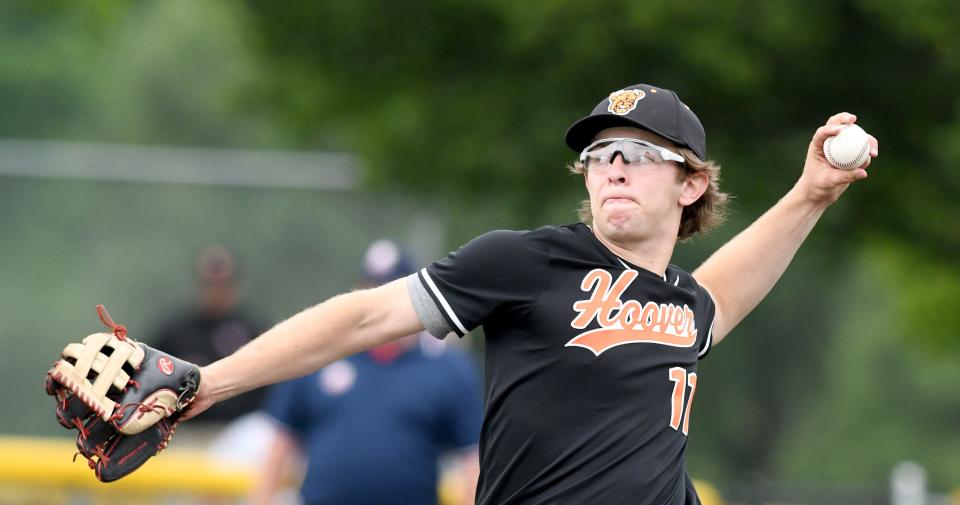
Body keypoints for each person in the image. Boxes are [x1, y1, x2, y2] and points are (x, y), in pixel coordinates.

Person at [183, 83, 878, 504]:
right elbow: (366, 314)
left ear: (690, 183)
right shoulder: (526, 263)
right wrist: (207, 382)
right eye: (600, 157)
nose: (612, 171)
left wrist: (811, 194)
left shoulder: (681, 304)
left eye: (636, 156)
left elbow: (722, 296)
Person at [251, 239, 483, 505]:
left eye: (391, 289)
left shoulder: (447, 368)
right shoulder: (321, 353)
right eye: (372, 288)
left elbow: (472, 461)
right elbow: (280, 443)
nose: (380, 301)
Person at [151, 244, 265, 423]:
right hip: (183, 432)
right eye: (210, 283)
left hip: (240, 433)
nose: (216, 291)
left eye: (224, 283)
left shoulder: (253, 331)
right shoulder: (175, 332)